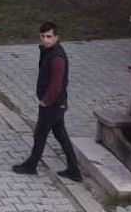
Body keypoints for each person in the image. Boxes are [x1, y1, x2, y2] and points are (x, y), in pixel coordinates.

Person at [12, 22, 82, 182]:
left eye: (49, 36)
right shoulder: (48, 51)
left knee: (40, 134)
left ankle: (31, 165)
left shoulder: (57, 58)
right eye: (43, 36)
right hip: (57, 104)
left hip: (52, 104)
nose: (45, 40)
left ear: (57, 37)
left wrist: (45, 101)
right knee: (60, 134)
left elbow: (56, 84)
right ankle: (74, 170)